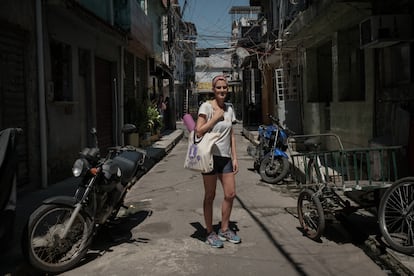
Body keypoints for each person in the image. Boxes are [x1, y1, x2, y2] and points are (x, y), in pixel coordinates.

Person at [195, 75, 241, 248]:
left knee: (230, 194)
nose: (222, 90)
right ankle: (209, 232)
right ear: (213, 90)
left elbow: (231, 135)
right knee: (210, 195)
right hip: (209, 157)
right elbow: (198, 131)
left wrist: (234, 157)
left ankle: (224, 228)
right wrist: (214, 118)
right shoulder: (206, 107)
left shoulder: (230, 109)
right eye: (219, 87)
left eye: (224, 87)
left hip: (225, 157)